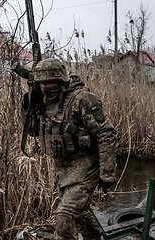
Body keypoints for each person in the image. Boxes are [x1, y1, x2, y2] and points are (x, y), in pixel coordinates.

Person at [21, 58, 117, 239]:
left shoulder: (82, 99)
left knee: (64, 220)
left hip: (87, 167)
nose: (44, 87)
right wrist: (27, 108)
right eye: (41, 82)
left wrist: (107, 173)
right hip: (63, 170)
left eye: (48, 81)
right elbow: (33, 131)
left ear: (60, 79)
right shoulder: (44, 101)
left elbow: (106, 133)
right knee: (79, 216)